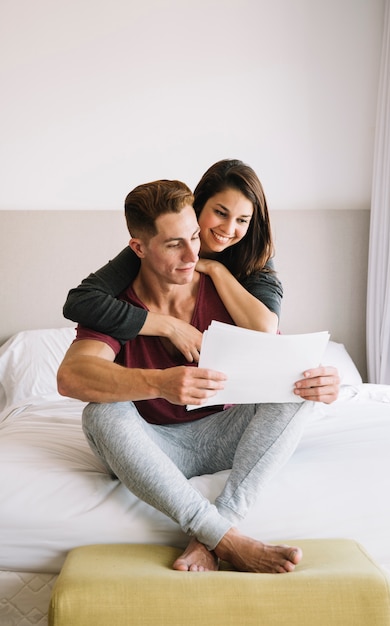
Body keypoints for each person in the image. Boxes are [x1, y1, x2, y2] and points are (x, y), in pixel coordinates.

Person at [58, 179, 340, 574]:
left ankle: (214, 529)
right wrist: (159, 382)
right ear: (138, 248)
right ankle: (229, 540)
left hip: (225, 434)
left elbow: (276, 355)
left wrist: (322, 382)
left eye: (195, 237)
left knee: (296, 391)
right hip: (153, 445)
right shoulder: (116, 306)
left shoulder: (227, 289)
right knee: (99, 414)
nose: (193, 255)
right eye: (174, 244)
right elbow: (71, 377)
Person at [62, 159, 283, 363]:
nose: (228, 228)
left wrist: (216, 270)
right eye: (220, 213)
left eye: (242, 220)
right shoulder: (150, 252)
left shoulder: (255, 257)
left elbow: (265, 330)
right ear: (198, 206)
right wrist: (170, 326)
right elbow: (80, 302)